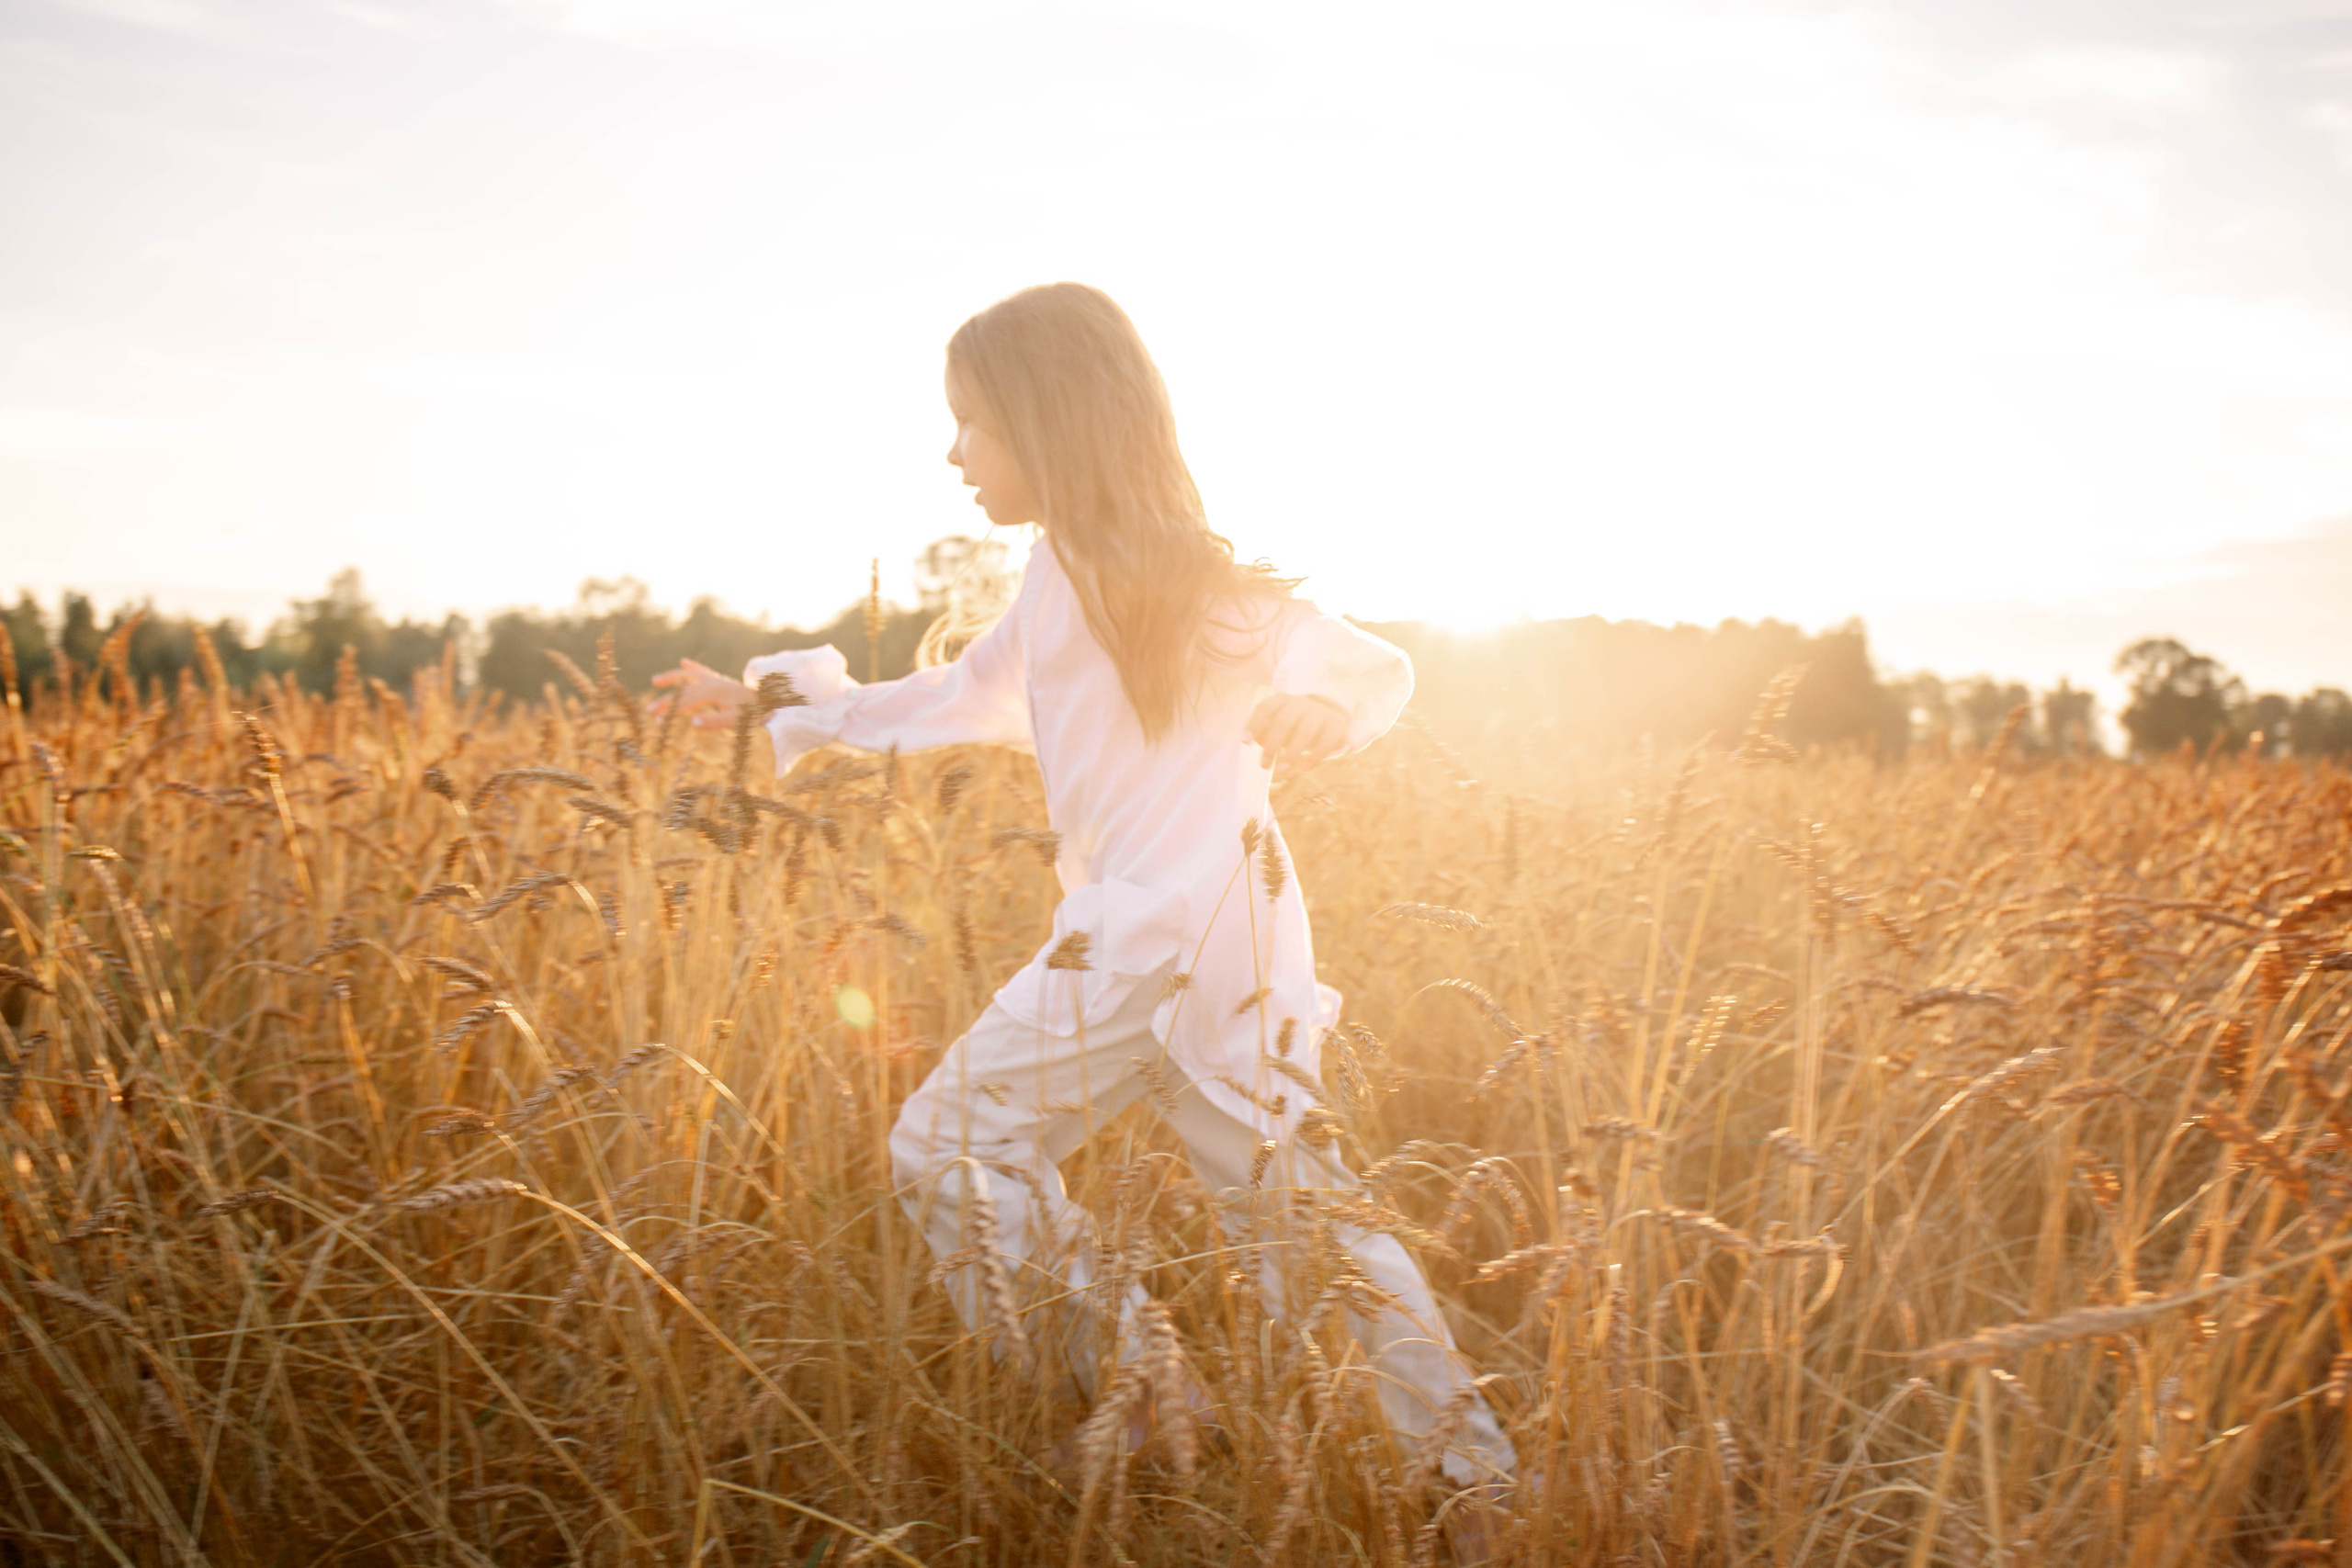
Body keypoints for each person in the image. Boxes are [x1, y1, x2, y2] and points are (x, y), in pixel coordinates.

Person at [653, 283, 1516, 1499]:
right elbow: (951, 695)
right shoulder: (1056, 577)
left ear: (1051, 419)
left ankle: (1155, 1400)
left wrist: (1325, 708)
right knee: (1305, 1222)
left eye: (974, 423)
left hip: (1162, 938)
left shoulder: (1187, 583)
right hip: (1191, 945)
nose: (953, 453)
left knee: (952, 1146)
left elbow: (1367, 665)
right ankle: (1467, 1484)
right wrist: (773, 701)